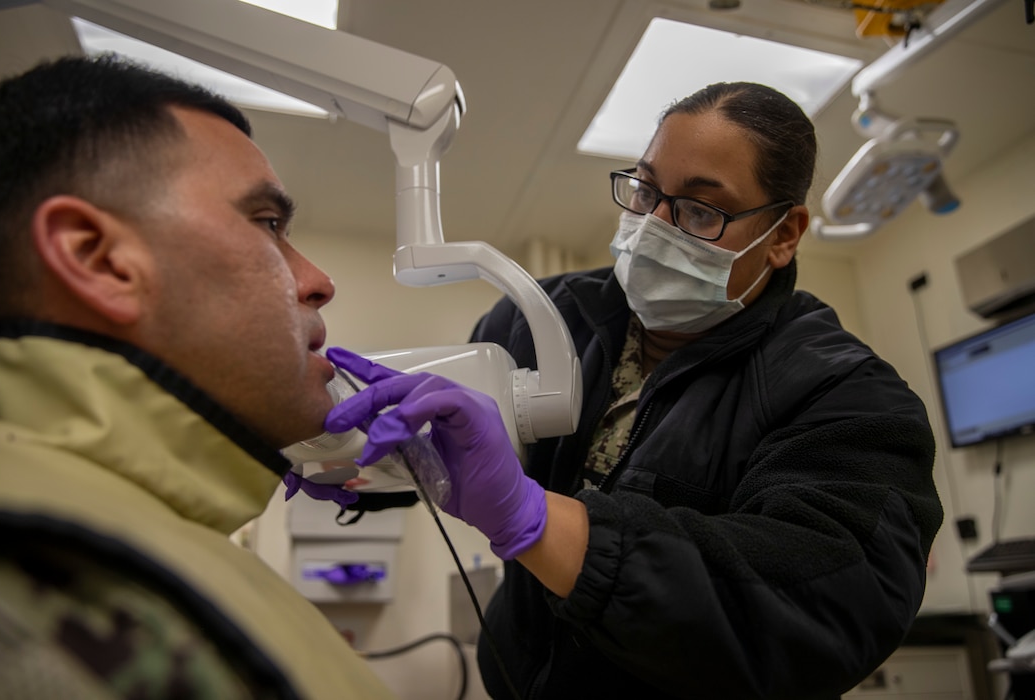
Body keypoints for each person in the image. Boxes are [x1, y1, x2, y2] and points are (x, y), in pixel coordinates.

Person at [325, 82, 944, 699]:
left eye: (700, 211)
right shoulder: (539, 319)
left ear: (783, 234)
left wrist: (535, 518)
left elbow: (825, 613)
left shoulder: (847, 397)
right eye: (645, 191)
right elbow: (451, 452)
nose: (652, 228)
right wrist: (363, 464)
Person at [0, 55, 394, 699]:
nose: (318, 281)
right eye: (266, 225)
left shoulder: (157, 544)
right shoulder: (31, 588)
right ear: (97, 259)